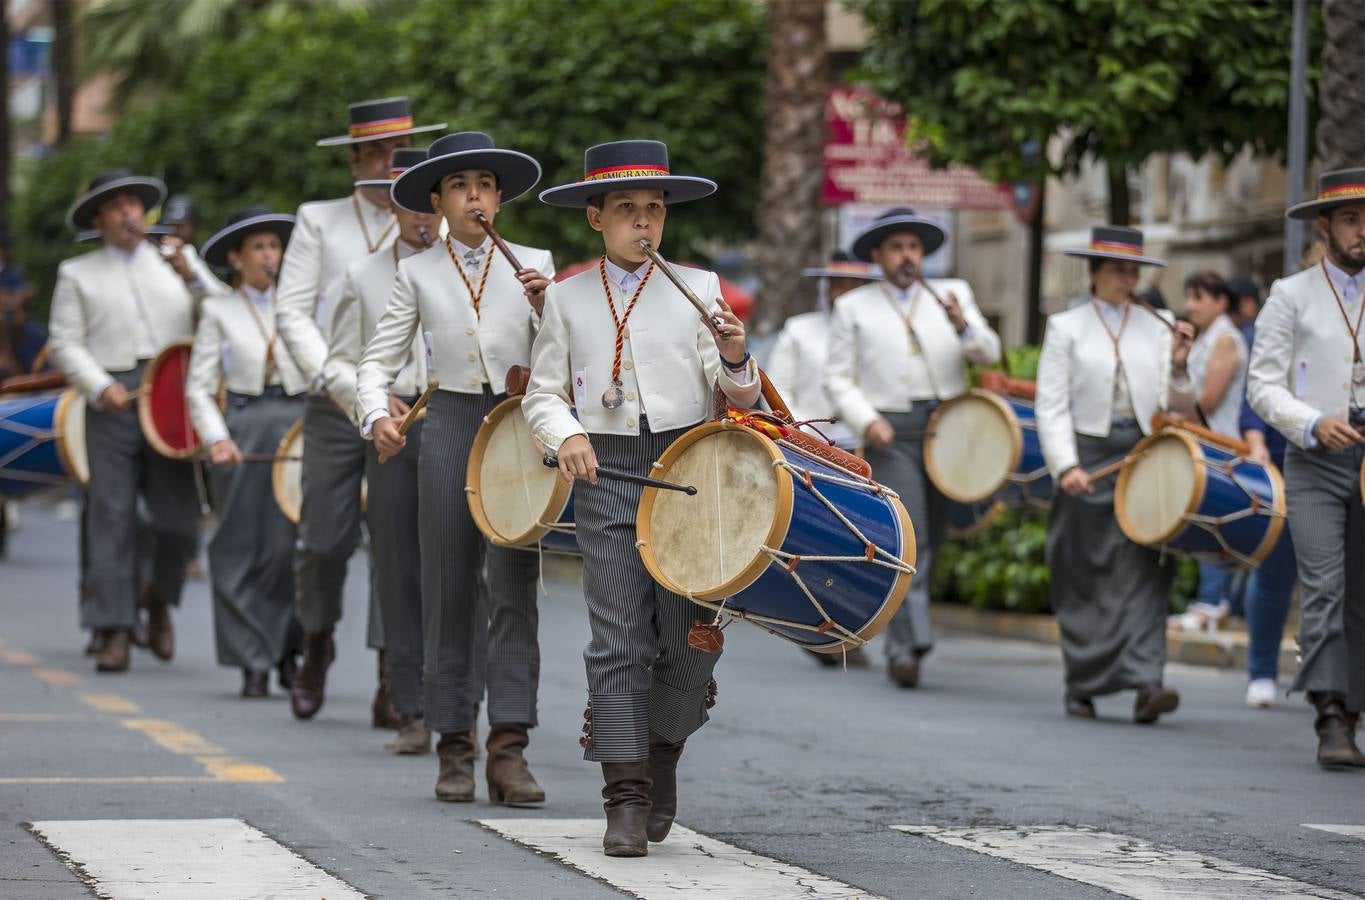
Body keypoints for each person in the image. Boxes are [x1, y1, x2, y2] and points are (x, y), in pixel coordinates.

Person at [526, 139, 759, 857]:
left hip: (691, 468)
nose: (643, 224)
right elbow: (540, 393)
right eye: (626, 210)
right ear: (596, 218)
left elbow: (736, 396)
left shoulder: (699, 285)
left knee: (691, 636)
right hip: (607, 475)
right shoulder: (565, 297)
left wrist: (733, 355)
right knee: (619, 636)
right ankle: (624, 797)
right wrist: (565, 432)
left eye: (653, 210)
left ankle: (663, 754)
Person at [358, 131, 551, 804]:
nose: (475, 196)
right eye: (461, 186)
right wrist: (374, 414)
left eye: (486, 185)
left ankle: (509, 748)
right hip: (446, 424)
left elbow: (562, 360)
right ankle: (454, 746)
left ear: (498, 199)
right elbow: (375, 362)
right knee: (448, 589)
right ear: (437, 200)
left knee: (514, 586)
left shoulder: (535, 264)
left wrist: (545, 310)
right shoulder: (416, 273)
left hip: (517, 429)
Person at [274, 96, 444, 723]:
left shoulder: (436, 219)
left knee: (399, 541)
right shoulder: (318, 221)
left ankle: (389, 672)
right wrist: (350, 392)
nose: (386, 164)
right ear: (352, 159)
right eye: (373, 153)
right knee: (323, 538)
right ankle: (318, 641)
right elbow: (292, 313)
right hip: (337, 398)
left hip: (415, 403)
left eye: (397, 151)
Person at [47, 169, 225, 672]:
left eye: (133, 204)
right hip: (114, 395)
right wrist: (99, 385)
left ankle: (157, 600)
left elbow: (224, 313)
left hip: (171, 393)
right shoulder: (77, 272)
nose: (128, 213)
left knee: (177, 520)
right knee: (113, 514)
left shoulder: (174, 262)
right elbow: (66, 342)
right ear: (100, 219)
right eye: (116, 206)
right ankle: (114, 629)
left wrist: (190, 270)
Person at [825, 207, 1001, 689]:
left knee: (938, 532)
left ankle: (907, 638)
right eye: (898, 248)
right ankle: (907, 646)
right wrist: (868, 419)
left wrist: (964, 326)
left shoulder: (953, 294)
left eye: (915, 248)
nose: (908, 256)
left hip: (948, 426)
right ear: (879, 255)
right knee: (911, 535)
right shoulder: (854, 306)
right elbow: (838, 378)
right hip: (891, 431)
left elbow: (990, 353)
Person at [1036, 225, 1196, 724]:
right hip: (1087, 455)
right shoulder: (1067, 327)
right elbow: (1051, 405)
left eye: (1134, 271)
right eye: (1118, 270)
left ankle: (1149, 681)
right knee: (1083, 572)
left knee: (1149, 566)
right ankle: (1083, 683)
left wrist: (1179, 366)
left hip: (1147, 456)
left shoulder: (1161, 325)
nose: (1129, 279)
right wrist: (1066, 466)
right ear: (1096, 273)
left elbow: (1182, 407)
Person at [1247, 167, 1365, 768]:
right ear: (1325, 226)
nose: (1362, 231)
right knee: (1324, 585)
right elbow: (1261, 386)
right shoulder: (1290, 295)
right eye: (1350, 218)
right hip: (1316, 458)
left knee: (1362, 591)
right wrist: (1312, 422)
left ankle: (1354, 704)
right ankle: (1329, 714)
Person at [328, 147, 442, 754]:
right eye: (409, 203)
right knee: (397, 568)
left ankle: (457, 701)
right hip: (392, 430)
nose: (423, 216)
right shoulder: (363, 275)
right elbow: (338, 363)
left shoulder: (478, 267)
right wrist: (372, 409)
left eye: (432, 203)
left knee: (464, 571)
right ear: (391, 208)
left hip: (462, 426)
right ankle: (411, 709)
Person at [186, 207, 306, 698]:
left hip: (299, 425)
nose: (269, 256)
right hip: (242, 425)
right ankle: (250, 659)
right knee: (238, 543)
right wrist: (216, 437)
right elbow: (199, 388)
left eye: (274, 246)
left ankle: (287, 650)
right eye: (257, 248)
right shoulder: (219, 310)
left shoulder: (302, 304)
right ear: (236, 259)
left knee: (291, 545)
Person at [766, 250, 879, 669]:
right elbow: (781, 388)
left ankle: (850, 629)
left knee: (862, 544)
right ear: (826, 287)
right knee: (814, 544)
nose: (845, 292)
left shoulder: (877, 329)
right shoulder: (800, 331)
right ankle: (815, 628)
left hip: (864, 446)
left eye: (854, 285)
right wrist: (805, 436)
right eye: (838, 284)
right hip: (814, 449)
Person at [1181, 272, 1249, 629]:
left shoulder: (1224, 339)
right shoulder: (1208, 336)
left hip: (1224, 445)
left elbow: (1208, 399)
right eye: (1189, 297)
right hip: (1206, 443)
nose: (1191, 305)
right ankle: (1212, 602)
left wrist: (1175, 410)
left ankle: (1212, 604)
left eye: (1199, 297)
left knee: (1214, 524)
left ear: (1221, 302)